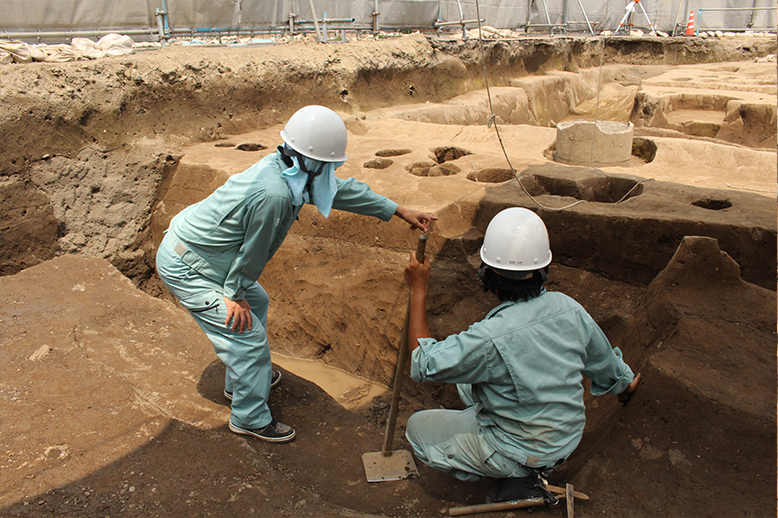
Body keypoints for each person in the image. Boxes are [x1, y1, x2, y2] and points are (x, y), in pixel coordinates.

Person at [156, 105, 436, 444]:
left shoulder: (292, 172)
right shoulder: (274, 194)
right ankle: (249, 418)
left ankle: (240, 383)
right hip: (188, 266)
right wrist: (234, 295)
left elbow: (340, 190)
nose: (332, 170)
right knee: (246, 332)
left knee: (258, 302)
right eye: (329, 164)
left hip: (209, 257)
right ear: (312, 160)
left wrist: (397, 210)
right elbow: (253, 251)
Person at [402, 207, 641, 502]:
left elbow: (422, 363)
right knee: (466, 381)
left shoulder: (489, 337)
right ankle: (513, 453)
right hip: (567, 437)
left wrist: (418, 289)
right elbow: (604, 363)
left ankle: (518, 475)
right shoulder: (569, 308)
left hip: (526, 451)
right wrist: (624, 387)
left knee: (417, 428)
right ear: (543, 269)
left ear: (487, 273)